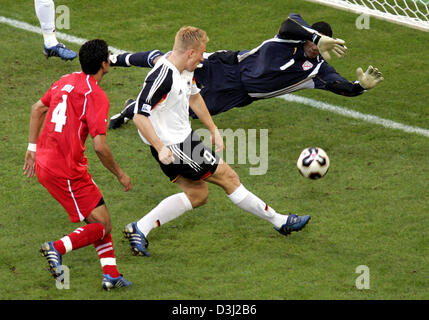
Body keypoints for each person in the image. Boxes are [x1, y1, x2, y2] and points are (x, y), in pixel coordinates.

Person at [122, 26, 311, 257]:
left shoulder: (185, 69)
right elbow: (139, 115)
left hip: (180, 141)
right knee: (228, 177)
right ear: (190, 52)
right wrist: (161, 148)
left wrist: (213, 129)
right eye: (201, 52)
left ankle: (140, 228)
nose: (203, 57)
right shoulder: (163, 75)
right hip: (175, 146)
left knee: (198, 195)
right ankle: (280, 221)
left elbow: (194, 96)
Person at [107, 13, 383, 129]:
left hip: (238, 94)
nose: (312, 47)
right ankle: (116, 59)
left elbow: (342, 87)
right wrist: (314, 35)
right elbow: (290, 22)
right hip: (228, 65)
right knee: (169, 62)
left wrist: (360, 87)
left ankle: (133, 108)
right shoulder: (291, 35)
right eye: (313, 41)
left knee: (184, 111)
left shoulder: (318, 71)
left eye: (317, 44)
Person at [23, 39, 132, 290]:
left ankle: (111, 276)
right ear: (104, 64)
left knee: (99, 217)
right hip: (65, 171)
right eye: (108, 56)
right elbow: (100, 147)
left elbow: (37, 108)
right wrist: (120, 174)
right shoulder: (96, 95)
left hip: (49, 162)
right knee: (102, 224)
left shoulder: (65, 79)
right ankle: (56, 248)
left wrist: (31, 148)